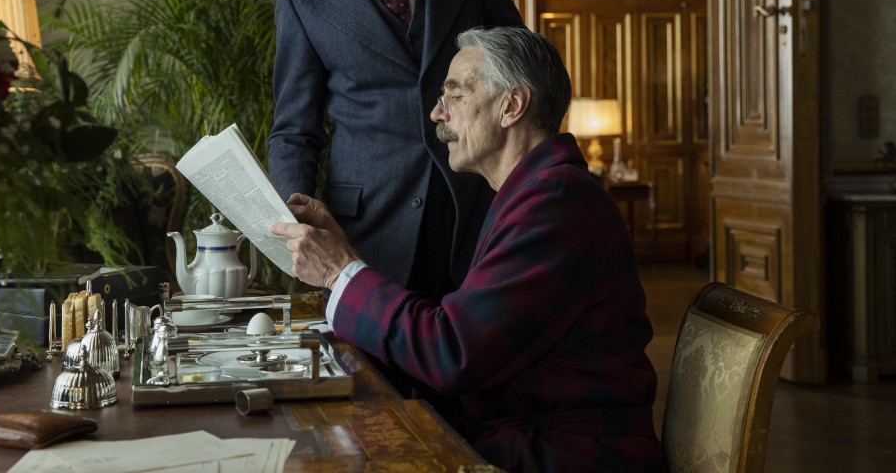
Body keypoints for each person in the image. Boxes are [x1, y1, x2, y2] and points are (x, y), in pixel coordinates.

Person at [271, 27, 665, 473]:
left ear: (511, 106)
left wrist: (339, 270)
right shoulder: (538, 192)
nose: (437, 113)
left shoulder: (555, 204)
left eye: (454, 95)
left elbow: (452, 353)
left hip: (561, 458)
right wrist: (340, 257)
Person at [268, 0, 524, 304]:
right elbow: (293, 130)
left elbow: (521, 76)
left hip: (476, 208)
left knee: (474, 366)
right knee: (376, 376)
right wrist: (297, 219)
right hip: (367, 231)